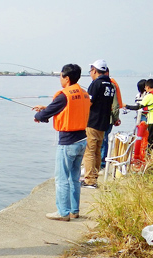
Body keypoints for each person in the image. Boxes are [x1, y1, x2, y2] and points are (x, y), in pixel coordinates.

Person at [33, 64, 90, 221]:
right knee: (75, 178)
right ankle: (74, 210)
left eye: (61, 76)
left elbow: (46, 114)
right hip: (82, 140)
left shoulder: (64, 95)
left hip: (68, 143)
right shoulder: (84, 94)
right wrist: (46, 109)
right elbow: (66, 110)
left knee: (61, 179)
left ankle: (63, 212)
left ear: (67, 78)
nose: (60, 79)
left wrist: (39, 115)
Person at [82, 59, 116, 189]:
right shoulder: (110, 85)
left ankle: (89, 180)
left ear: (95, 70)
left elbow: (89, 103)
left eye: (90, 71)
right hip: (104, 122)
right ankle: (94, 177)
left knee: (89, 151)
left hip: (93, 121)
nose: (90, 73)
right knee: (97, 150)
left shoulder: (96, 84)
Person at [125, 79, 153, 152]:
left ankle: (146, 155)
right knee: (152, 139)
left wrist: (126, 106)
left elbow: (138, 107)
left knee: (148, 139)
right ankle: (148, 155)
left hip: (152, 120)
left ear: (147, 87)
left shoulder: (149, 96)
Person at [99, 68, 122, 168]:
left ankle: (102, 163)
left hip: (107, 119)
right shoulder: (109, 85)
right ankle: (101, 162)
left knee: (103, 140)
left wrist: (116, 118)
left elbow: (115, 105)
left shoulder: (110, 85)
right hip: (107, 118)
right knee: (104, 140)